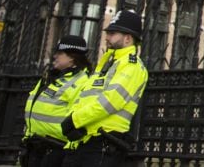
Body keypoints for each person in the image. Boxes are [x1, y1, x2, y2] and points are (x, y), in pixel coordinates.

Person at [60, 10, 149, 166]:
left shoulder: (132, 66)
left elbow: (111, 101)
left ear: (128, 38)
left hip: (103, 144)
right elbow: (85, 98)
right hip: (84, 142)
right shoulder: (108, 63)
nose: (107, 37)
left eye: (112, 33)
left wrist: (75, 120)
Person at [21, 35, 92, 167]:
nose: (55, 56)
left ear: (72, 57)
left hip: (55, 149)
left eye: (60, 53)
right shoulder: (50, 76)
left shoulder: (83, 81)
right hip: (34, 145)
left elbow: (76, 118)